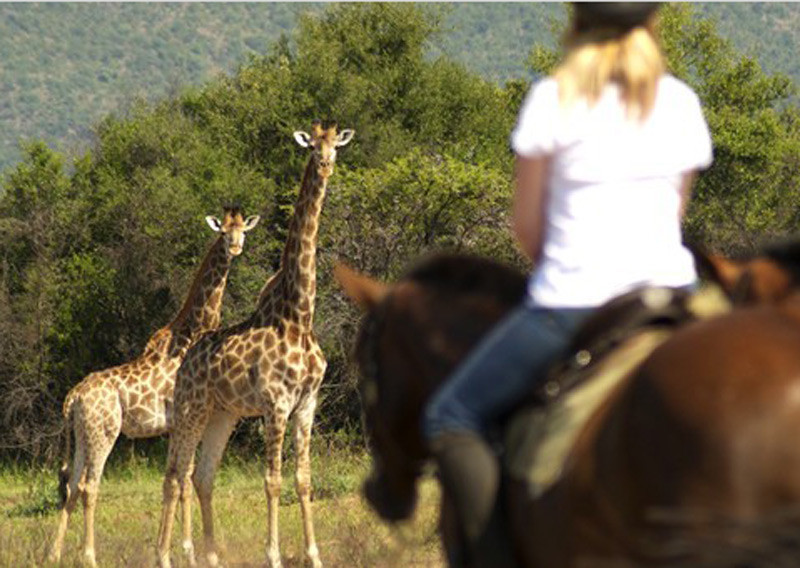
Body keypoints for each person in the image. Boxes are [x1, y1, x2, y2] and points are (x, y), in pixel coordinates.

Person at [422, 3, 713, 566]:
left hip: (572, 301)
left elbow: (529, 232)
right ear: (651, 23)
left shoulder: (553, 99)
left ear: (575, 23)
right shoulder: (678, 101)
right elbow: (674, 215)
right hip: (670, 297)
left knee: (451, 415)